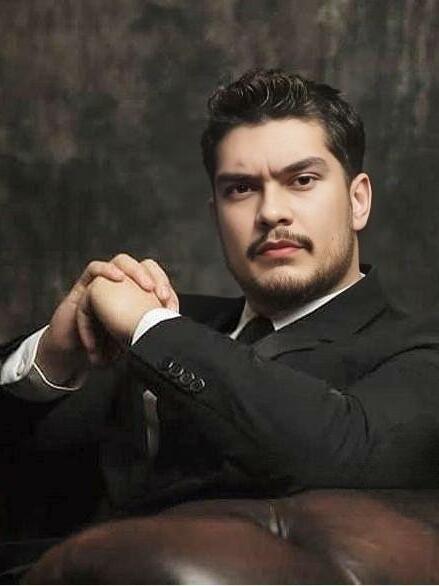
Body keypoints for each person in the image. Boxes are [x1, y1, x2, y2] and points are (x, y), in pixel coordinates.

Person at [1, 68, 439, 557]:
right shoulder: (155, 316)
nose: (271, 212)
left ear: (357, 201)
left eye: (302, 180)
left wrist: (149, 328)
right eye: (241, 189)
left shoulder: (418, 350)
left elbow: (340, 453)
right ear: (216, 216)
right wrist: (51, 358)